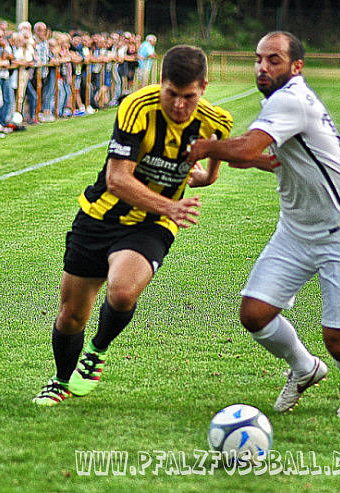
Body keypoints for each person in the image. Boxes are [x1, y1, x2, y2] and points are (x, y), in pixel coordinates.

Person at [32, 45, 233, 406]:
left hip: (153, 223)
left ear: (203, 86)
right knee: (70, 316)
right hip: (101, 216)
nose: (179, 106)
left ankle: (97, 351)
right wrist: (170, 204)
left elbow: (205, 177)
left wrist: (201, 169)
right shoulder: (137, 107)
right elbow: (116, 179)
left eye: (189, 97)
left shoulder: (216, 121)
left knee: (123, 292)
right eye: (171, 94)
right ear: (161, 82)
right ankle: (61, 380)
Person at [186, 31, 340, 418]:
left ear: (296, 67)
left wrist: (203, 148)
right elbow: (254, 155)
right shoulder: (278, 102)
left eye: (274, 60)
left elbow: (246, 148)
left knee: (339, 341)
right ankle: (304, 369)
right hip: (294, 231)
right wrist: (218, 168)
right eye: (258, 59)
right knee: (254, 313)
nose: (263, 67)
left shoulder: (291, 100)